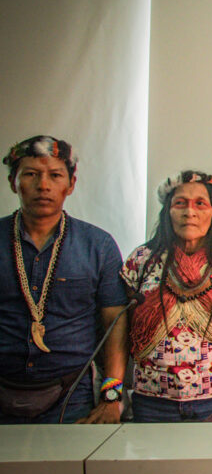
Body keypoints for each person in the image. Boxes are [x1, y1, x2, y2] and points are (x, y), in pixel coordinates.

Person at [0, 135, 127, 423]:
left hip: (71, 395)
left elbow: (115, 325)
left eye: (55, 175)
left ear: (71, 184)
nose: (43, 185)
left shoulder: (98, 245)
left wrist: (112, 396)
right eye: (30, 174)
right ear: (12, 183)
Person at [121, 171, 212, 422]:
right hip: (153, 404)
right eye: (180, 203)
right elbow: (124, 335)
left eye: (200, 204)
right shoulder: (140, 261)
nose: (190, 212)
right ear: (168, 212)